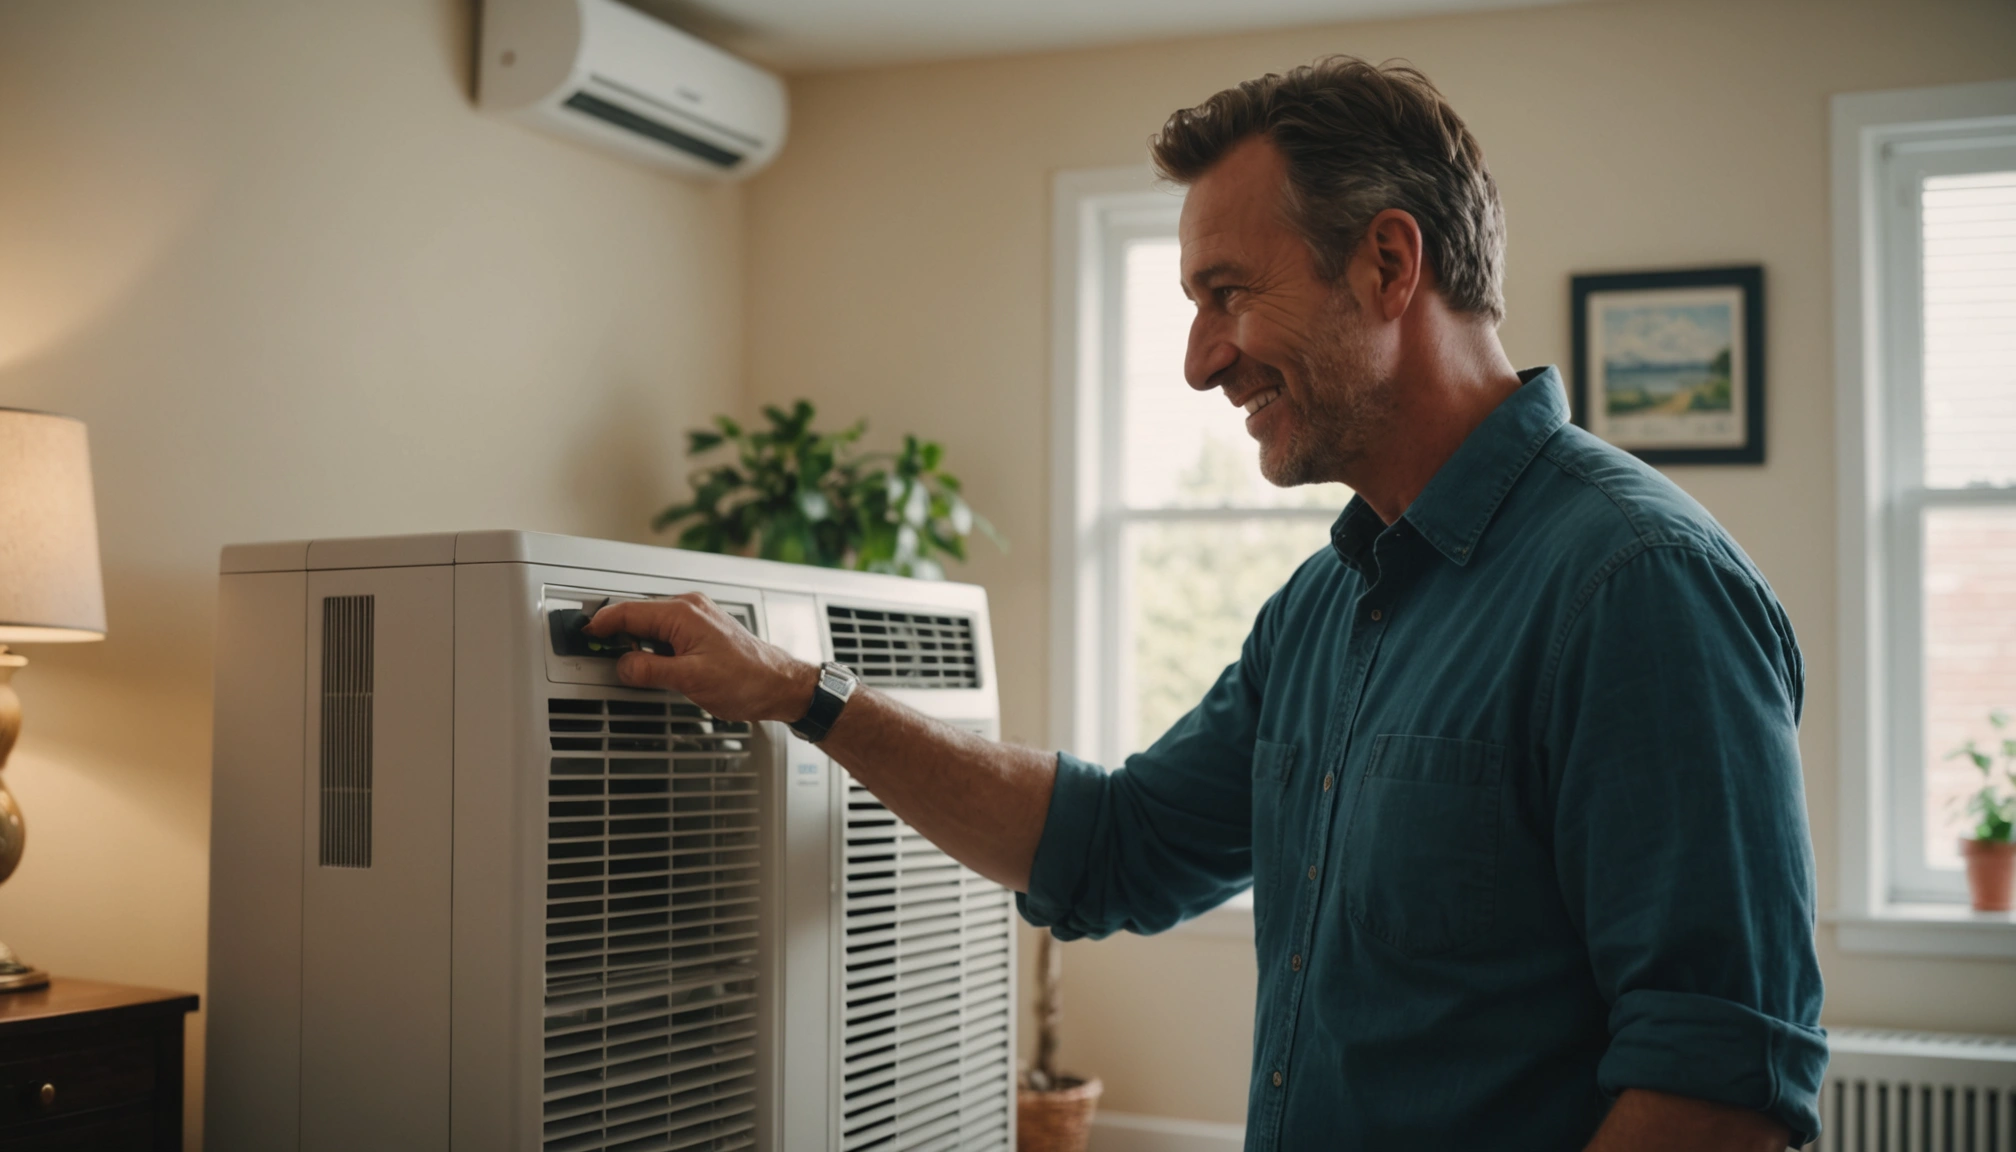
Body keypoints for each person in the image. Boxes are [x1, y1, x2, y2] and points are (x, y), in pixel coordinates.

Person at [588, 57, 1826, 1152]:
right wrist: (803, 693)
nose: (1199, 359)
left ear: (1391, 264)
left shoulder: (1639, 585)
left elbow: (1718, 1092)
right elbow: (1114, 849)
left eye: (1228, 293)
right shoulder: (1320, 613)